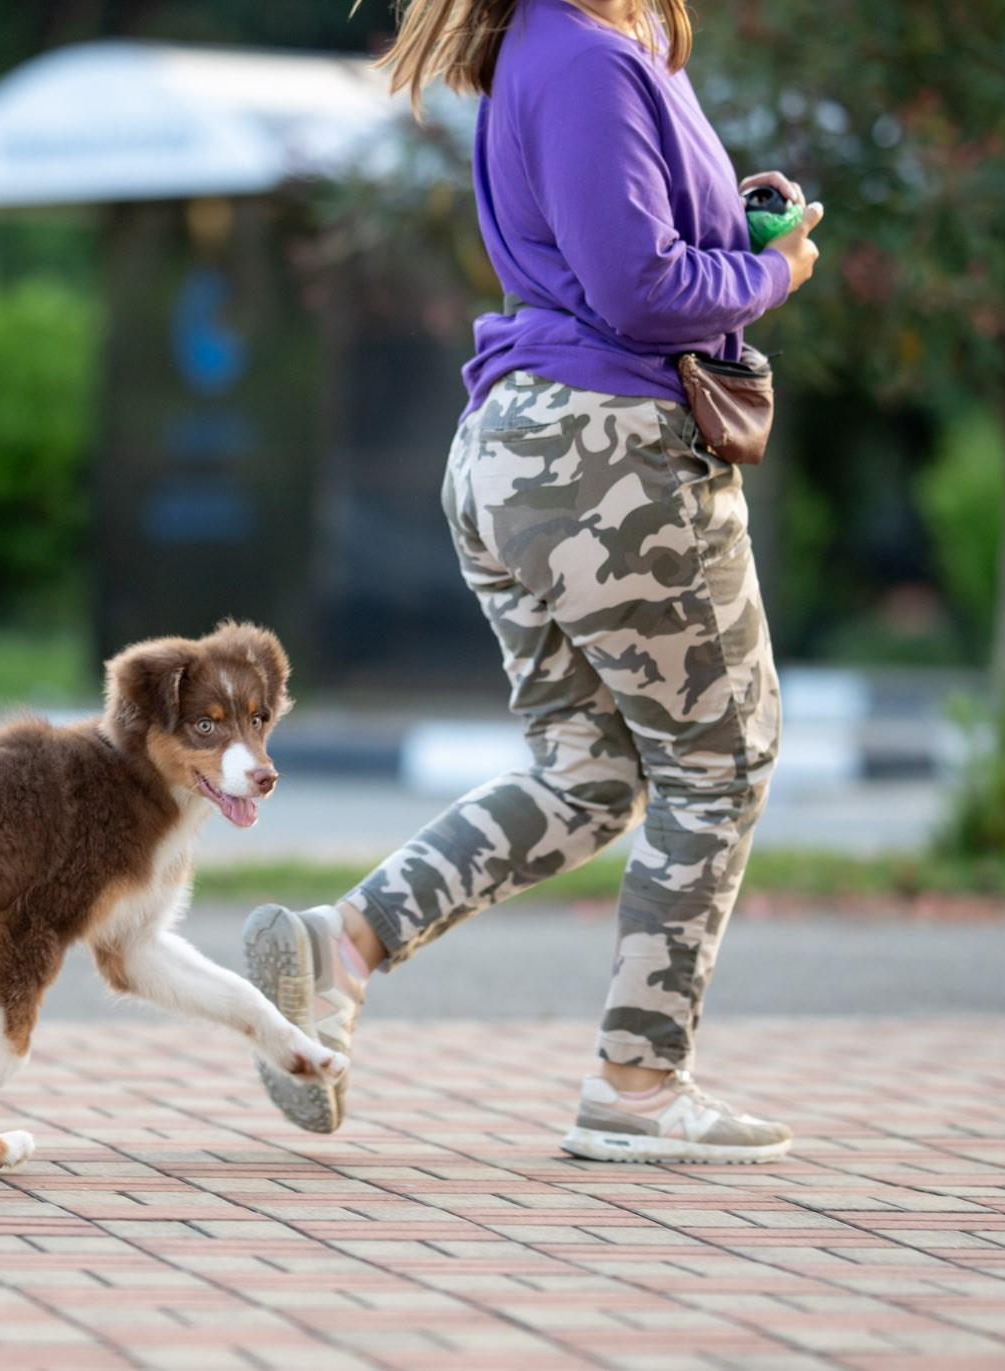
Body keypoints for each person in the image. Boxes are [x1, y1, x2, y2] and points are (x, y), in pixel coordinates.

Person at [243, 0, 825, 1163]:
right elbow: (641, 292)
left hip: (524, 455)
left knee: (589, 776)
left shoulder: (580, 50)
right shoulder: (585, 60)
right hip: (610, 456)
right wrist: (768, 273)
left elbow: (627, 253)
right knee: (720, 761)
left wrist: (737, 228)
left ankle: (342, 946)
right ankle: (637, 1086)